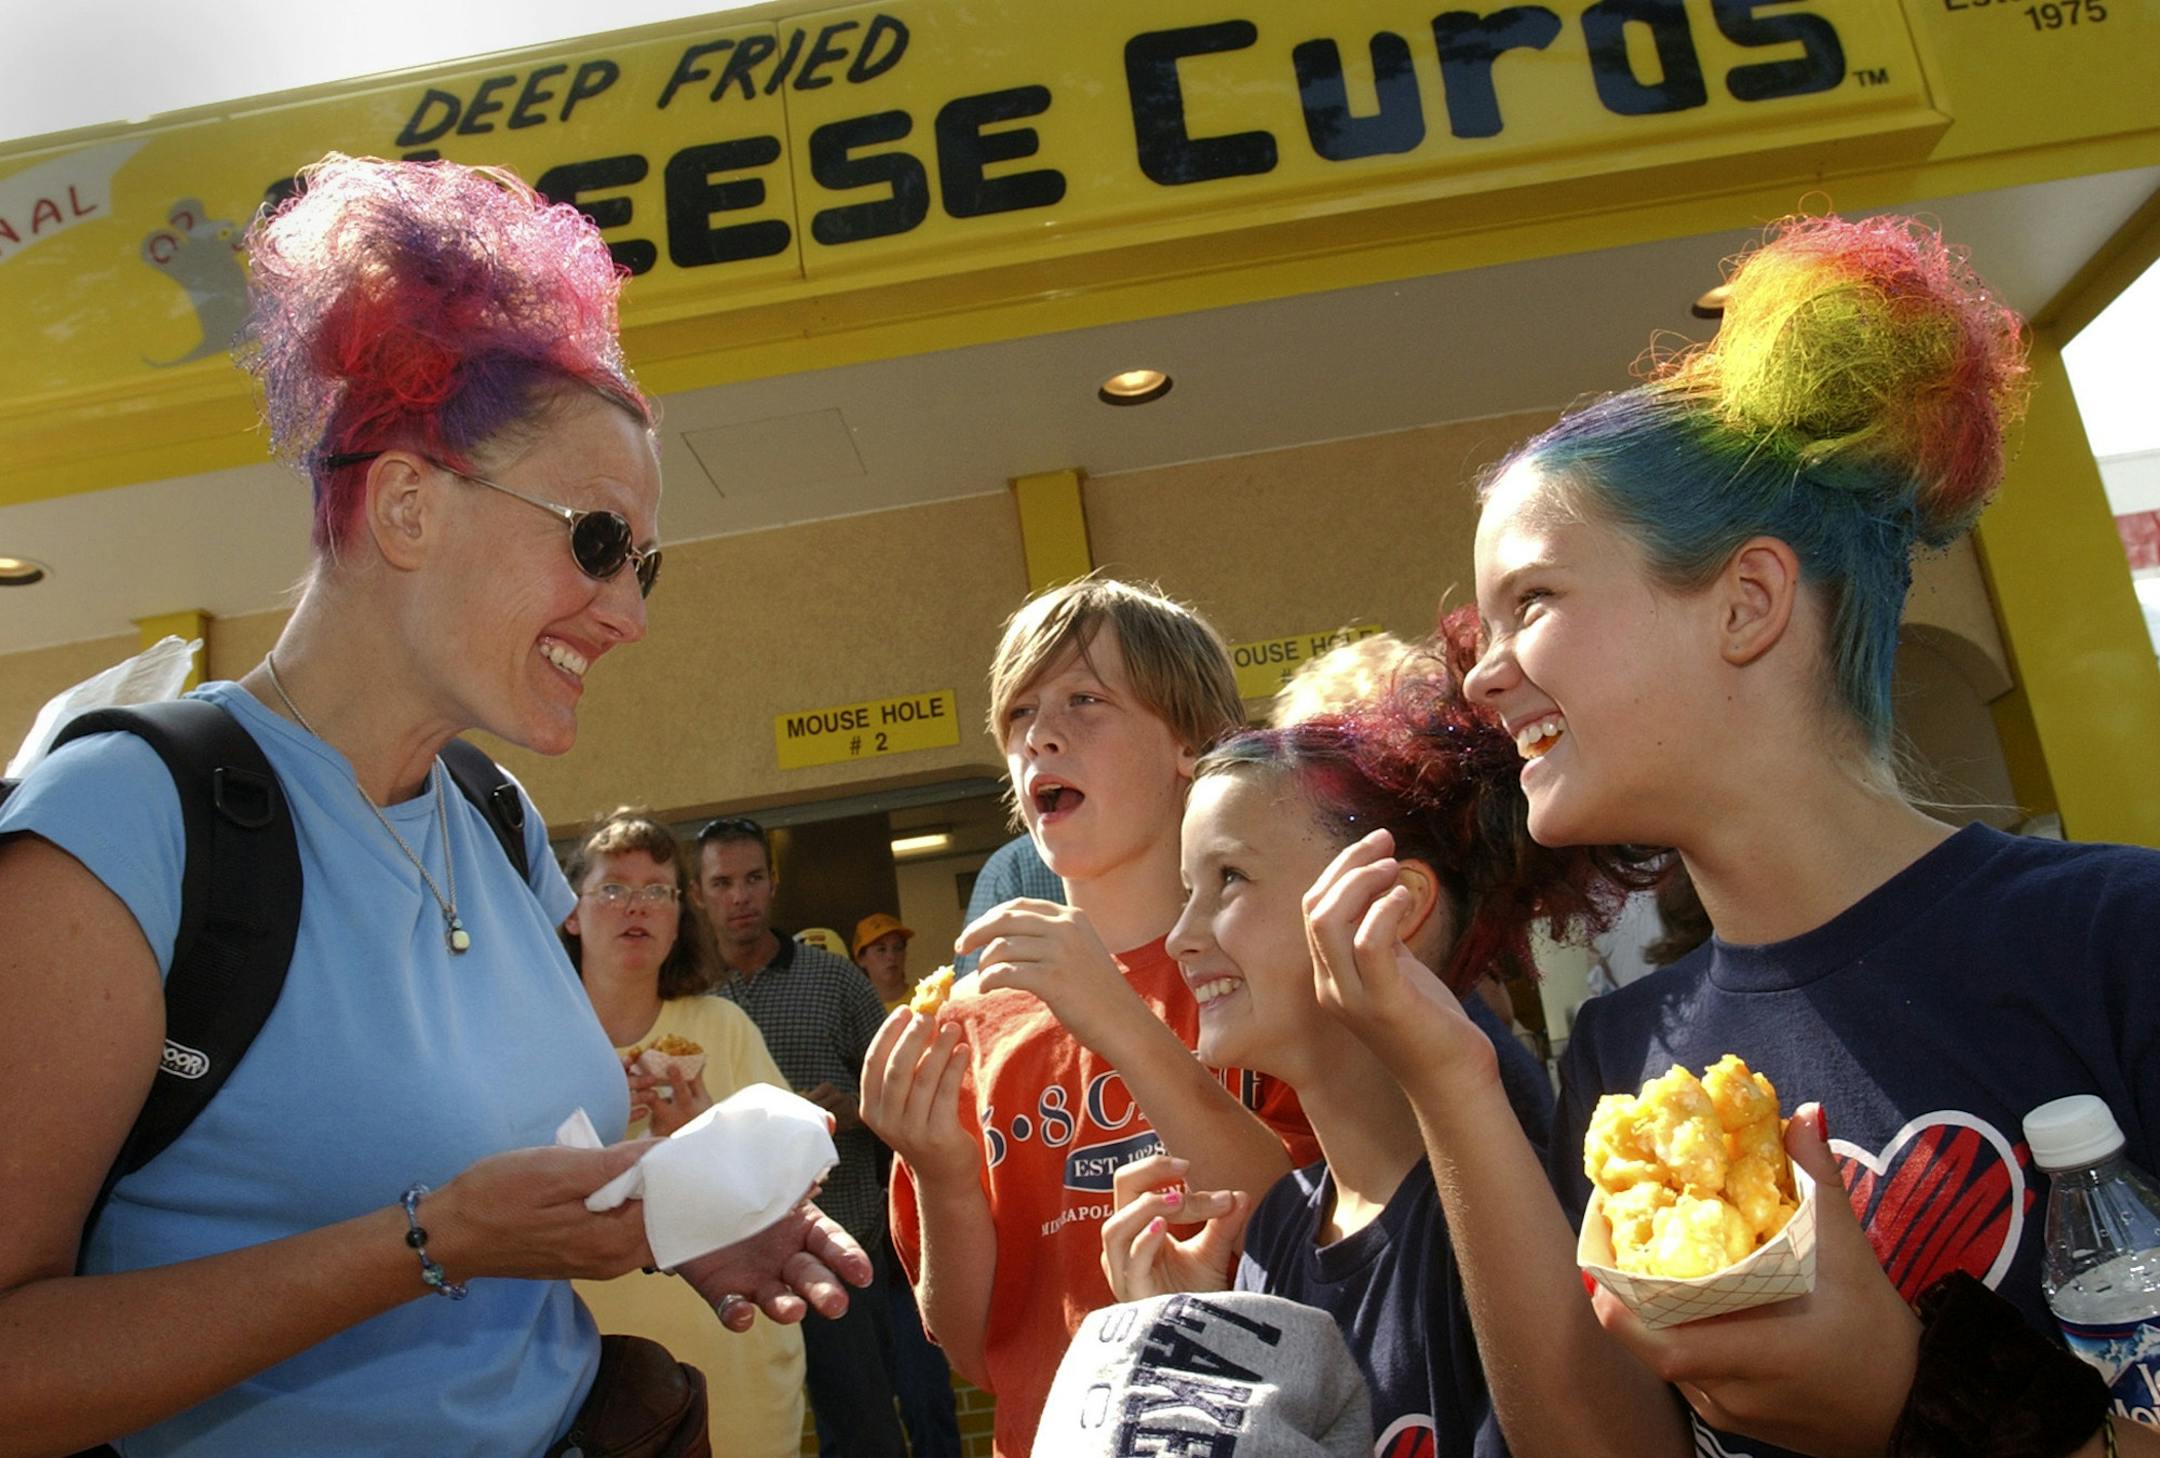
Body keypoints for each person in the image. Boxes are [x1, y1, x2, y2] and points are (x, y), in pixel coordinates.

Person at [0, 155, 865, 1458]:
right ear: (407, 502)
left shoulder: (499, 814)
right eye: (593, 541)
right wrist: (428, 1244)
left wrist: (666, 1210)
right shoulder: (127, 819)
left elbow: (518, 1153)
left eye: (648, 564)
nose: (627, 611)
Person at [1316, 214, 2160, 1458]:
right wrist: (1445, 1076)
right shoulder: (1624, 1053)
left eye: (1532, 601)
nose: (1484, 680)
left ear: (1749, 602)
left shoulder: (2117, 941)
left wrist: (1913, 1399)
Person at [1099, 638, 1635, 1456]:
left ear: (1390, 906)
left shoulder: (1505, 1219)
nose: (1179, 937)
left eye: (1229, 881)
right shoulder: (1278, 1227)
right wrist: (1191, 1343)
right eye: (1186, 893)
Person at [862, 575, 1321, 1455]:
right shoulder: (971, 1026)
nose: (1043, 734)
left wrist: (1120, 1020)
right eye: (1020, 715)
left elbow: (1305, 1233)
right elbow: (975, 1350)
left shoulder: (1270, 967)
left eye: (1086, 700)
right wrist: (943, 1174)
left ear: (1191, 742)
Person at [559, 809, 808, 1458]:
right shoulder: (532, 1044)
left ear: (677, 917)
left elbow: (799, 1187)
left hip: (739, 1382)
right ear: (570, 912)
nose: (635, 906)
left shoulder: (723, 1029)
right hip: (585, 1392)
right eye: (613, 887)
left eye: (657, 891)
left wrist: (704, 1139)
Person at [698, 815, 907, 1458]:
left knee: (867, 1435)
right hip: (727, 1265)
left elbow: (900, 1098)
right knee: (744, 1437)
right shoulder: (684, 998)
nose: (740, 896)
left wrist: (854, 1109)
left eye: (753, 878)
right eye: (723, 882)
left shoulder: (836, 981)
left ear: (774, 882)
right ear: (699, 893)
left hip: (841, 1253)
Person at [853, 912, 916, 1007]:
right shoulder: (858, 1011)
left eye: (898, 948)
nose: (891, 956)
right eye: (881, 949)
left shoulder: (924, 999)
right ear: (861, 959)